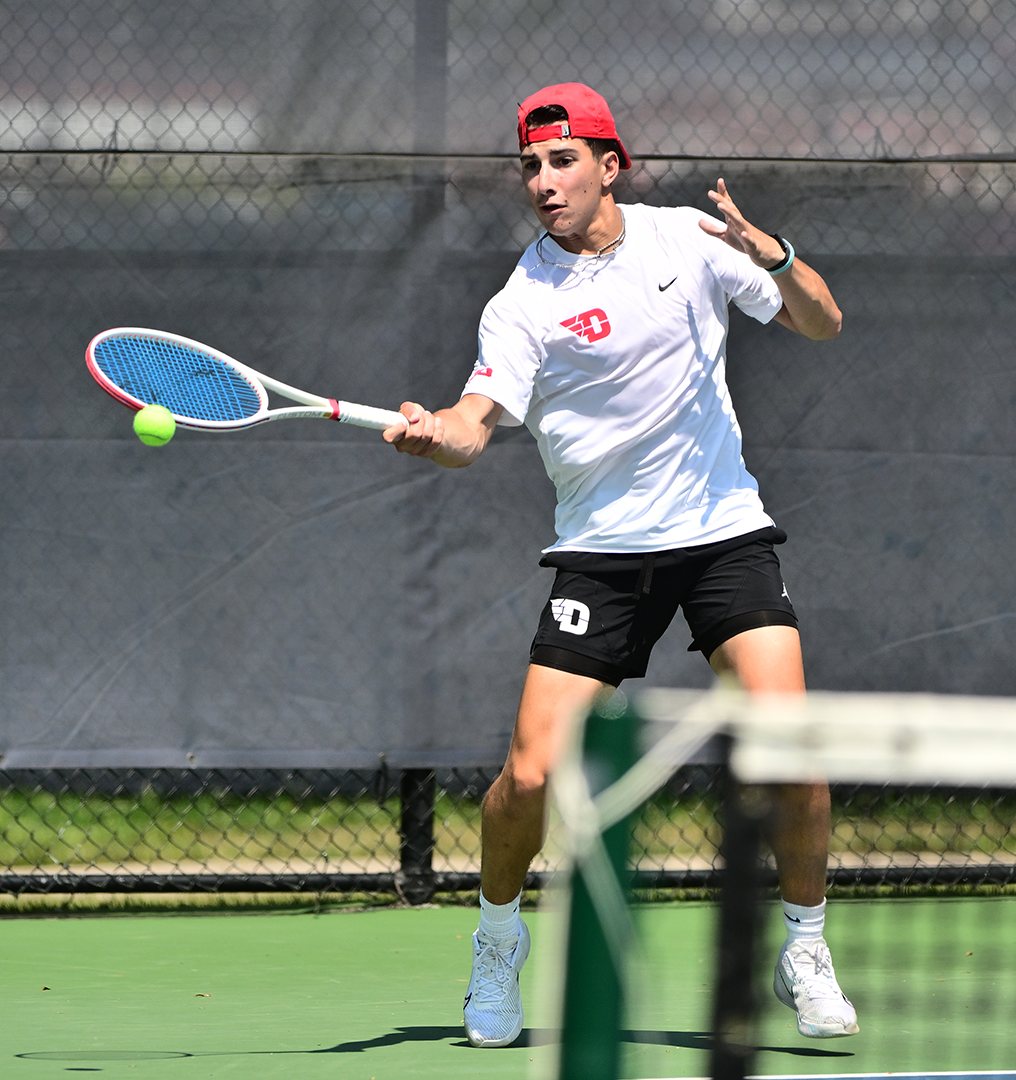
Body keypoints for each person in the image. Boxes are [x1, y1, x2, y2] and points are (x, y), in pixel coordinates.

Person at [383, 82, 857, 1048]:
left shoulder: (689, 238)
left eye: (562, 162)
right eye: (529, 166)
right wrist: (436, 435)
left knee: (795, 750)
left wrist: (776, 253)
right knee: (527, 777)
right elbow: (476, 428)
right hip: (604, 556)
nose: (544, 183)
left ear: (611, 164)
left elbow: (822, 322)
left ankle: (805, 945)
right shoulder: (521, 303)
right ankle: (498, 935)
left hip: (725, 532)